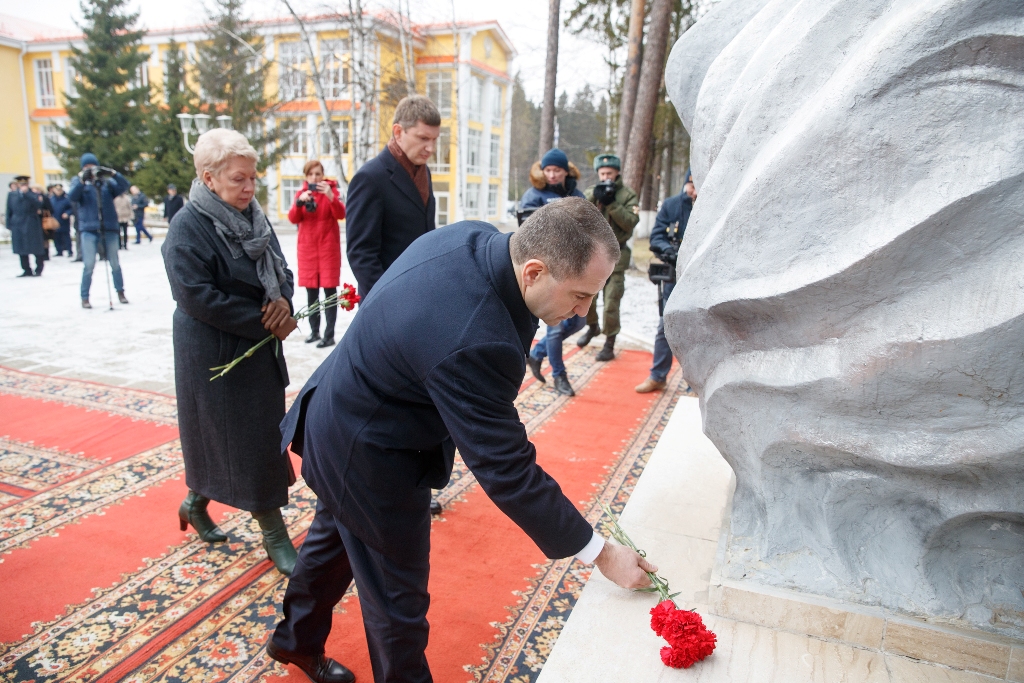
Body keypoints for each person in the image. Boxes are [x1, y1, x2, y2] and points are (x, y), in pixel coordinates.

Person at [267, 198, 658, 683]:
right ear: (534, 271)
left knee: (333, 543)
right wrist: (600, 552)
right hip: (368, 450)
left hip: (343, 408)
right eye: (580, 295)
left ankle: (295, 640)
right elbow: (507, 469)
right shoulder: (475, 336)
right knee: (397, 597)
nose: (583, 312)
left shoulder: (476, 237)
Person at [161, 128, 299, 576]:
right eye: (239, 179)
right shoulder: (187, 226)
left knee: (243, 437)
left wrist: (284, 302)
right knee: (242, 440)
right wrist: (266, 319)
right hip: (213, 353)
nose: (249, 188)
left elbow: (281, 269)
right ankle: (275, 536)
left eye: (253, 178)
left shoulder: (254, 217)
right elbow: (196, 297)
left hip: (257, 348)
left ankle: (194, 503)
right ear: (209, 177)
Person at [345, 94, 440, 299]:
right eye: (423, 138)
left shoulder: (424, 173)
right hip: (387, 303)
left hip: (420, 296)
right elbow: (361, 255)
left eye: (434, 139)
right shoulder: (370, 178)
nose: (430, 148)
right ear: (398, 132)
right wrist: (389, 301)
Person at [523, 148, 589, 396]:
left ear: (565, 171)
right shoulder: (534, 195)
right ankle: (559, 375)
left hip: (574, 266)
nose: (551, 174)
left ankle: (537, 353)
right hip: (548, 268)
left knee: (578, 321)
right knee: (555, 326)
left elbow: (588, 226)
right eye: (548, 170)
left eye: (557, 170)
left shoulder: (576, 194)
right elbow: (525, 231)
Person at [637, 172, 697, 393]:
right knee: (666, 324)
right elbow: (657, 236)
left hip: (702, 278)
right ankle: (658, 375)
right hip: (674, 275)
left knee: (699, 329)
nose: (694, 191)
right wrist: (668, 251)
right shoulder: (672, 205)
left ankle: (695, 382)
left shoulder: (713, 204)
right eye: (691, 184)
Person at [576, 153, 640, 361]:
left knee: (612, 301)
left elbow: (630, 222)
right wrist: (595, 198)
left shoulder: (627, 195)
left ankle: (609, 343)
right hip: (594, 255)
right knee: (587, 297)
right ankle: (592, 326)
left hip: (617, 256)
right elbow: (578, 215)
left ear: (617, 173)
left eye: (609, 173)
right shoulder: (591, 192)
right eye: (602, 174)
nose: (606, 177)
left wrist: (612, 203)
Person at [288, 160, 346, 348]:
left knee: (330, 294)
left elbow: (341, 214)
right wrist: (299, 202)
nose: (314, 177)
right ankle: (314, 332)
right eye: (311, 174)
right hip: (308, 251)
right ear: (306, 176)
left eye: (318, 174)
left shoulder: (331, 191)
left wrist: (330, 196)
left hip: (328, 249)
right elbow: (293, 218)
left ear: (323, 175)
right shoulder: (301, 193)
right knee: (311, 293)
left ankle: (329, 335)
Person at [68, 153, 131, 308]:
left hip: (109, 227)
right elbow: (72, 197)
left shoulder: (106, 183)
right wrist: (82, 181)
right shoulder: (78, 182)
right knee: (89, 264)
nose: (91, 170)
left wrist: (113, 173)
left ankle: (120, 292)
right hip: (88, 229)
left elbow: (124, 186)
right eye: (87, 167)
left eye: (93, 166)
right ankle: (85, 297)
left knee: (115, 263)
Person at [7, 176, 47, 277]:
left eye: (25, 184)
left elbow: (39, 204)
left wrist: (27, 194)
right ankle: (26, 269)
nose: (23, 186)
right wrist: (9, 224)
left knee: (36, 247)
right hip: (17, 223)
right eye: (21, 184)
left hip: (31, 223)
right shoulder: (12, 195)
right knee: (21, 248)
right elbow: (9, 210)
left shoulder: (34, 194)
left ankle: (39, 269)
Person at [49, 184, 74, 257]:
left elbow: (71, 208)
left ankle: (69, 251)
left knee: (66, 236)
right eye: (57, 190)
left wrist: (67, 213)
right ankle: (59, 251)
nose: (58, 191)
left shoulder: (66, 199)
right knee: (56, 237)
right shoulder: (51, 199)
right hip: (54, 220)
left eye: (60, 189)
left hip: (64, 220)